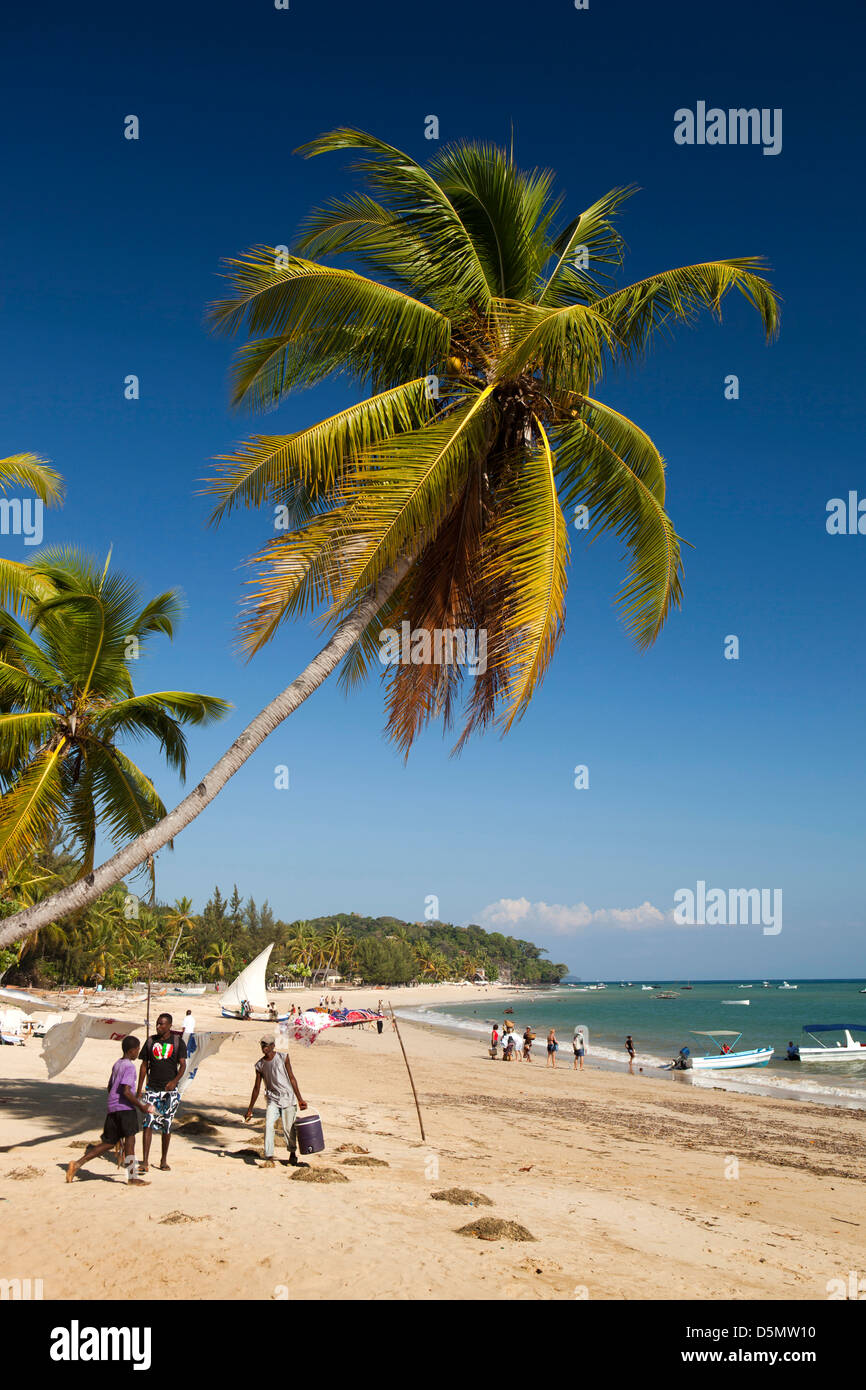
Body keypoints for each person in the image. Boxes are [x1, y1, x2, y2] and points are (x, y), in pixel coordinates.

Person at [66, 1037, 154, 1186]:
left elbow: (110, 1086)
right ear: (131, 1050)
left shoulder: (117, 1064)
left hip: (113, 1107)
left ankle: (77, 1164)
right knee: (130, 1142)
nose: (138, 1053)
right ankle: (132, 1177)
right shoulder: (129, 1067)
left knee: (109, 1142)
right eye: (137, 1050)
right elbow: (126, 1091)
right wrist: (141, 1106)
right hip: (125, 1109)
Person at [245, 1037, 308, 1168]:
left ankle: (292, 1153)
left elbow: (292, 1078)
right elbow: (256, 1087)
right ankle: (269, 1156)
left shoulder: (283, 1057)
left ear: (273, 1045)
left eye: (267, 1045)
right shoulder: (260, 1065)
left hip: (288, 1098)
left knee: (288, 1129)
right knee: (268, 1125)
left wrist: (300, 1099)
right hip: (272, 1099)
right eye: (262, 1046)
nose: (264, 1048)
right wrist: (250, 1108)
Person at [137, 1013, 187, 1172]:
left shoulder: (178, 1042)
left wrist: (174, 1081)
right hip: (152, 1088)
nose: (158, 1027)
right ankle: (145, 1161)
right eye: (157, 1024)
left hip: (169, 1092)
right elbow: (144, 1065)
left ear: (169, 1025)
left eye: (162, 1024)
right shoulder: (151, 1041)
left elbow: (183, 1065)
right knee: (148, 1123)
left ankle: (163, 1160)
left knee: (166, 1125)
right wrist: (140, 1088)